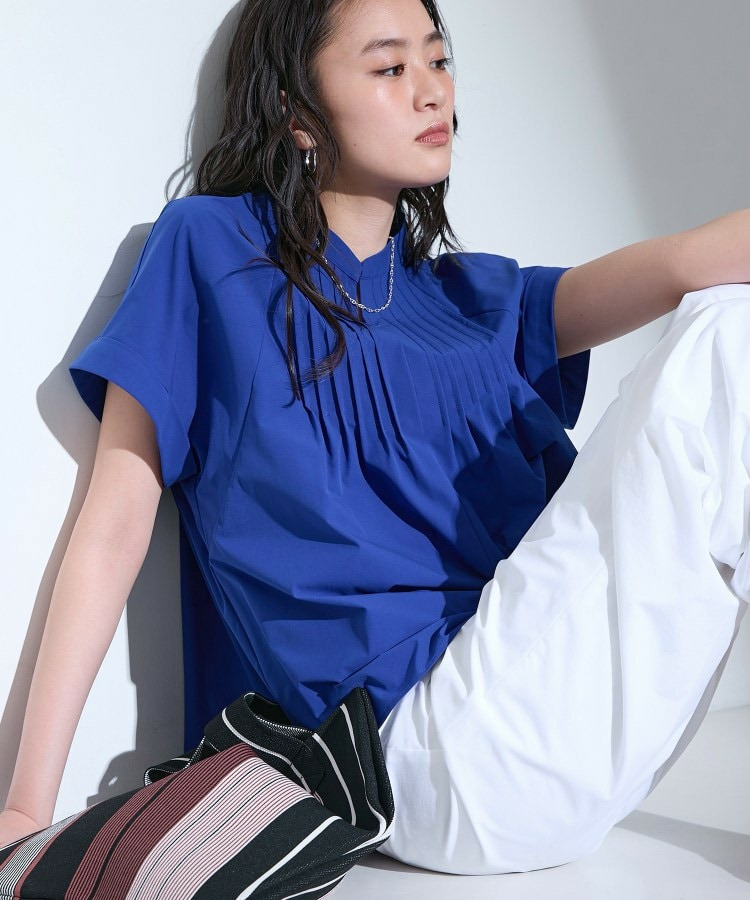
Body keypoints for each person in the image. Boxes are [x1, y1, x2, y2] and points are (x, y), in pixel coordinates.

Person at [2, 0, 749, 877]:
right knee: (732, 338)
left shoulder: (473, 300)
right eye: (391, 68)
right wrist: (25, 804)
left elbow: (691, 262)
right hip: (420, 753)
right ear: (298, 113)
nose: (433, 91)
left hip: (576, 723)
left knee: (730, 316)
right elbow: (113, 524)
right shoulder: (209, 251)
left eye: (439, 60)